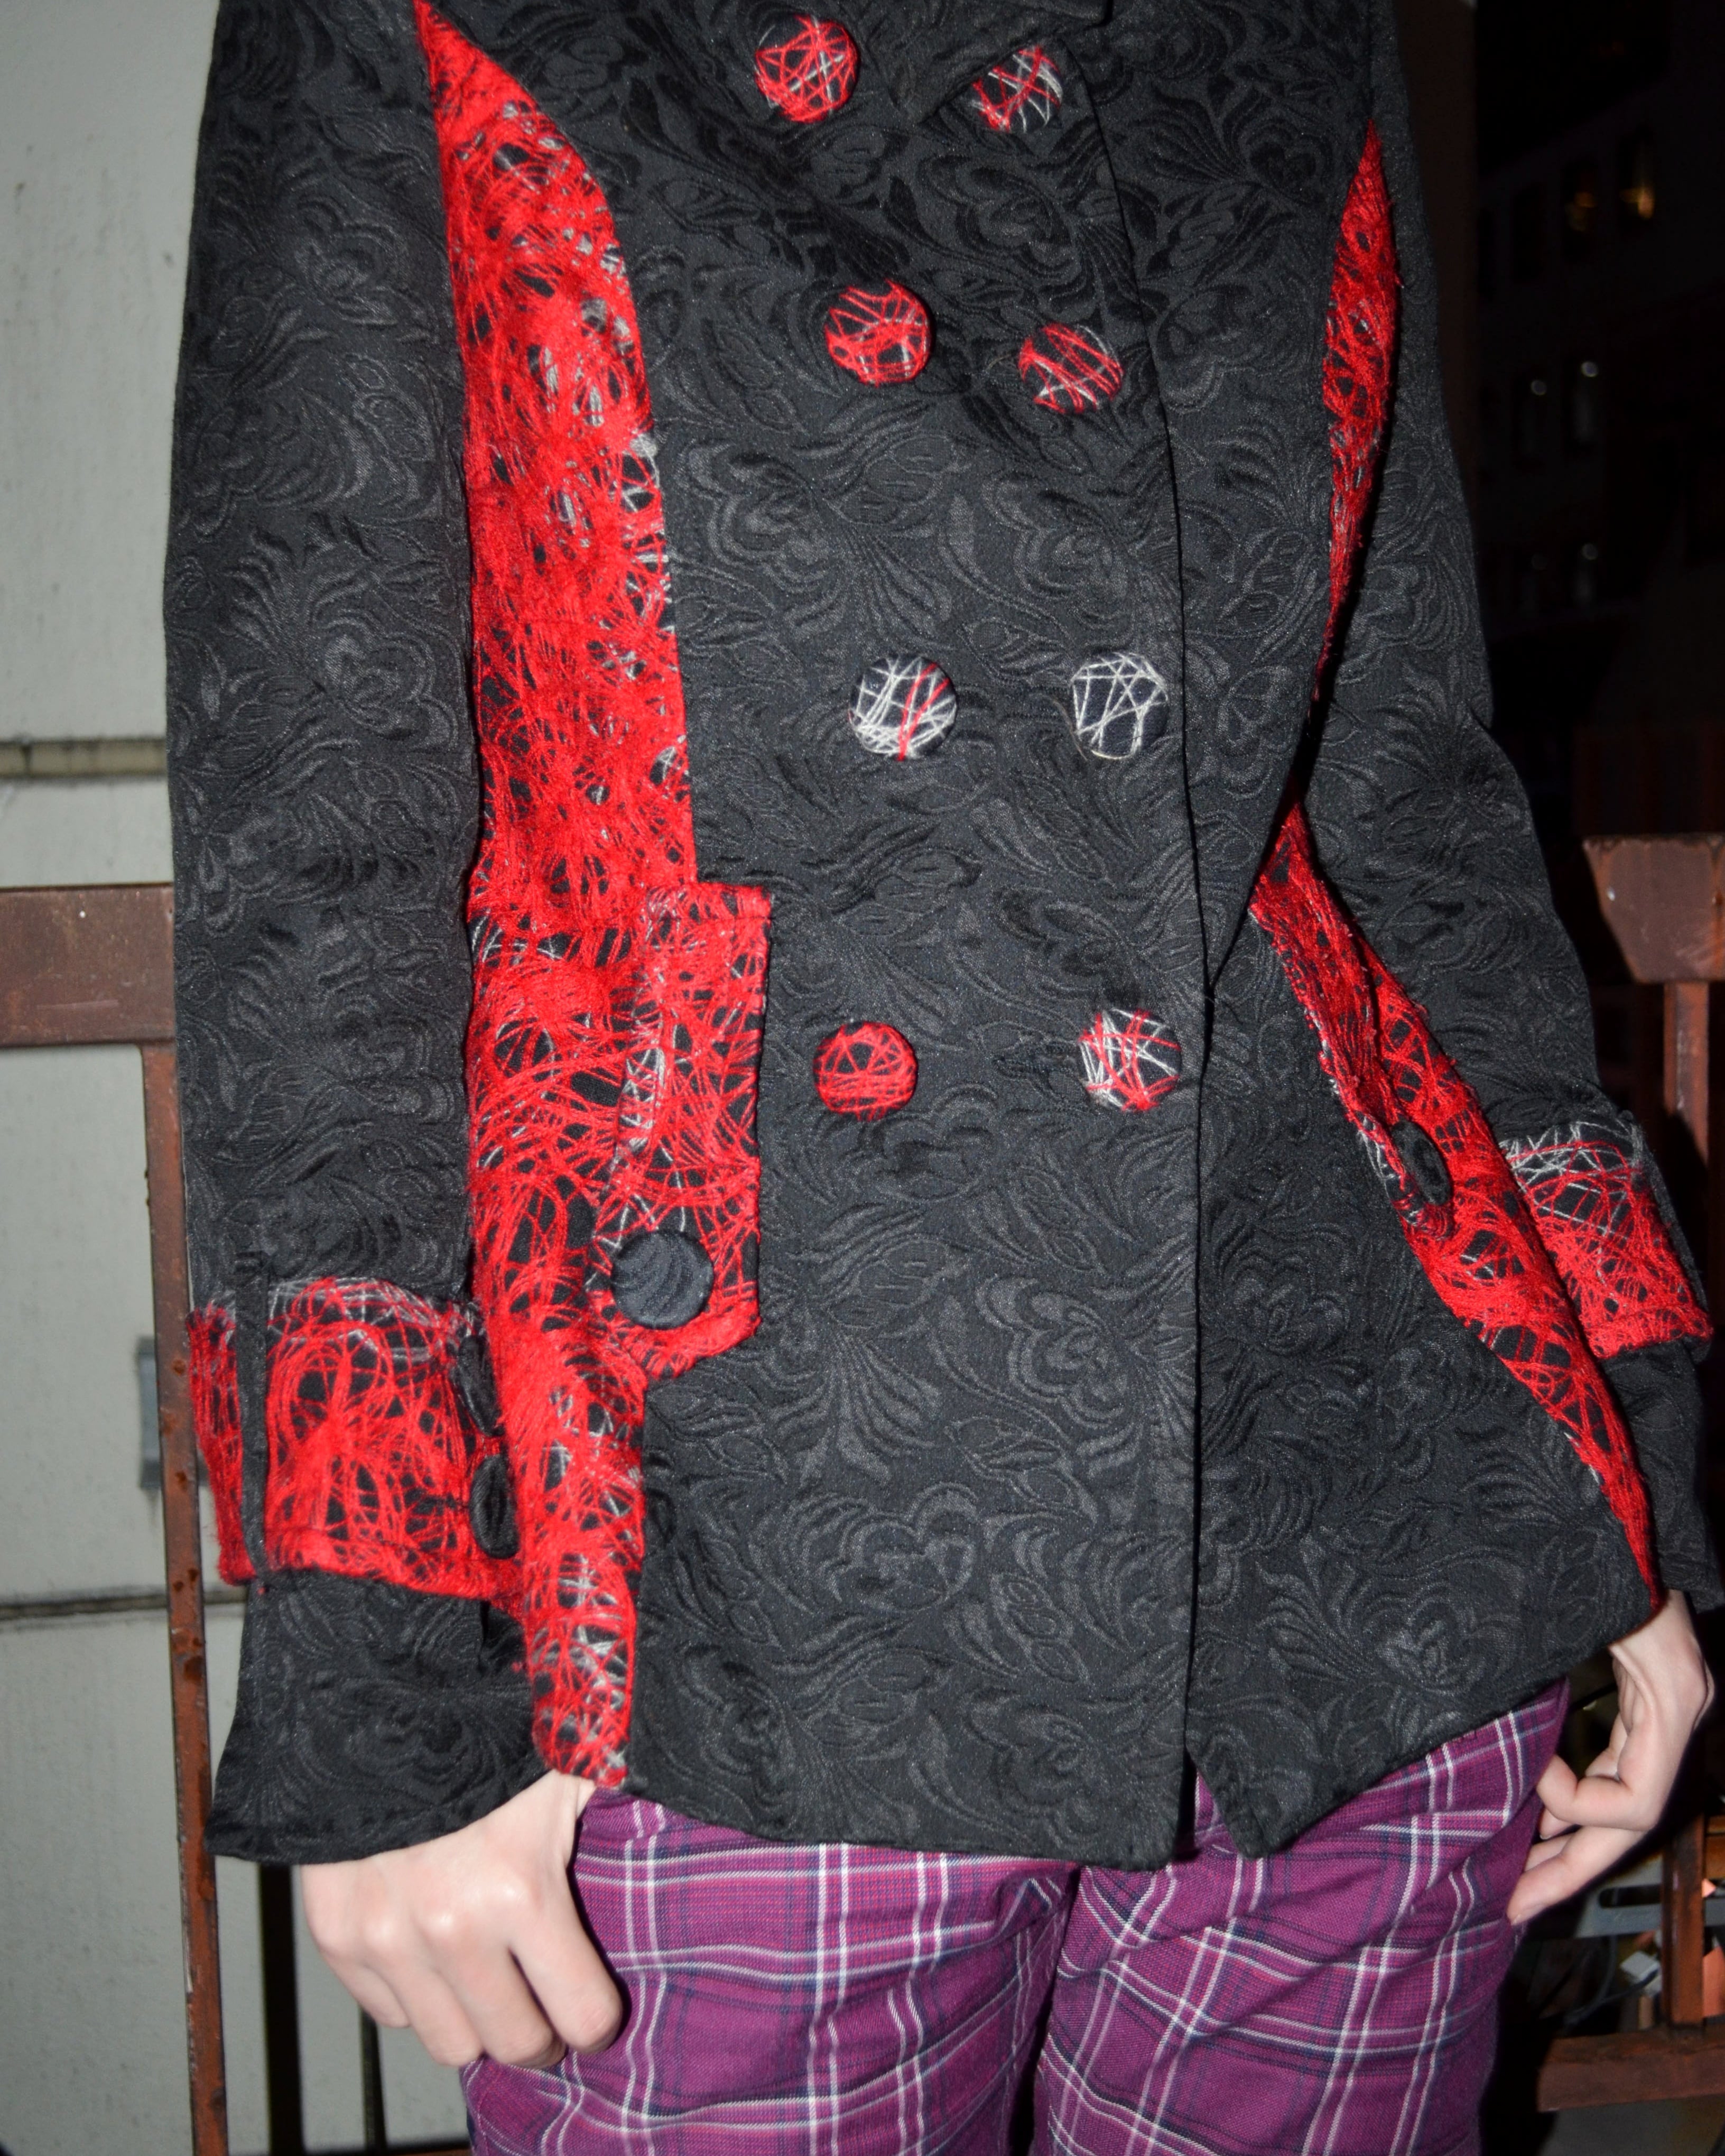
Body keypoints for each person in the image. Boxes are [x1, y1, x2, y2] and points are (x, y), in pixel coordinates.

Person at [165, 1, 1716, 2146]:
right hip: (719, 1578)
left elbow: (1408, 803)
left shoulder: (1291, 32)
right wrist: (380, 1666)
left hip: (1363, 1537)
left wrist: (1622, 1470)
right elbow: (324, 834)